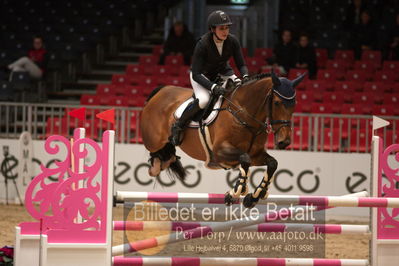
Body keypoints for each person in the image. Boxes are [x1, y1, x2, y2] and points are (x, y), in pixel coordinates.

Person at [170, 10, 249, 146]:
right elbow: (196, 73)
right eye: (221, 28)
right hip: (201, 76)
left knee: (240, 92)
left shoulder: (232, 41)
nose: (225, 31)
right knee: (203, 100)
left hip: (223, 73)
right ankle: (179, 125)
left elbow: (241, 64)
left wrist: (246, 76)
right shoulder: (202, 44)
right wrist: (213, 87)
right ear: (212, 29)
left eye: (227, 27)